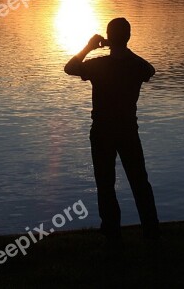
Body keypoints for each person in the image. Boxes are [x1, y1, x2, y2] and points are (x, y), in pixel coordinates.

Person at [64, 17, 160, 240]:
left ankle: (111, 231)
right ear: (128, 37)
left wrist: (88, 47)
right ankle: (151, 230)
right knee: (139, 182)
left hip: (102, 132)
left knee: (105, 184)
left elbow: (70, 67)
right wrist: (122, 48)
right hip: (127, 130)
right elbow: (150, 70)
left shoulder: (98, 65)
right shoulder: (135, 65)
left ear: (108, 37)